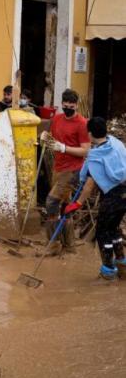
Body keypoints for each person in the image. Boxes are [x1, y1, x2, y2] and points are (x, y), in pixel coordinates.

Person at [65, 117, 126, 280]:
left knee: (102, 232)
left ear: (90, 134)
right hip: (125, 194)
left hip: (113, 196)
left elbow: (89, 185)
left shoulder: (95, 157)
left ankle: (108, 269)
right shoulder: (116, 143)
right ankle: (122, 263)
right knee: (114, 229)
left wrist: (77, 203)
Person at [40, 89, 90, 255]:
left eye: (72, 105)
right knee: (64, 206)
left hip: (73, 170)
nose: (68, 107)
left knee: (51, 202)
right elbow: (53, 137)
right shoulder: (57, 119)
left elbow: (85, 151)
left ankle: (53, 244)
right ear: (62, 104)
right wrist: (45, 136)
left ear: (76, 105)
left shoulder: (82, 123)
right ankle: (69, 245)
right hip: (58, 168)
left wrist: (64, 148)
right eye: (65, 105)